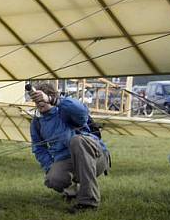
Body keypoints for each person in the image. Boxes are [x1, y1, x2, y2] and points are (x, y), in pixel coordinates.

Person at [29, 83, 110, 213]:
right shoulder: (37, 122)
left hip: (95, 158)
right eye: (36, 100)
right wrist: (51, 168)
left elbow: (82, 112)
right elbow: (39, 149)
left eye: (41, 99)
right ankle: (73, 191)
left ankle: (89, 202)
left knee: (77, 141)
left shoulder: (65, 110)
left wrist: (53, 100)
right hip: (68, 161)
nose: (39, 103)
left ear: (51, 97)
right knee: (53, 179)